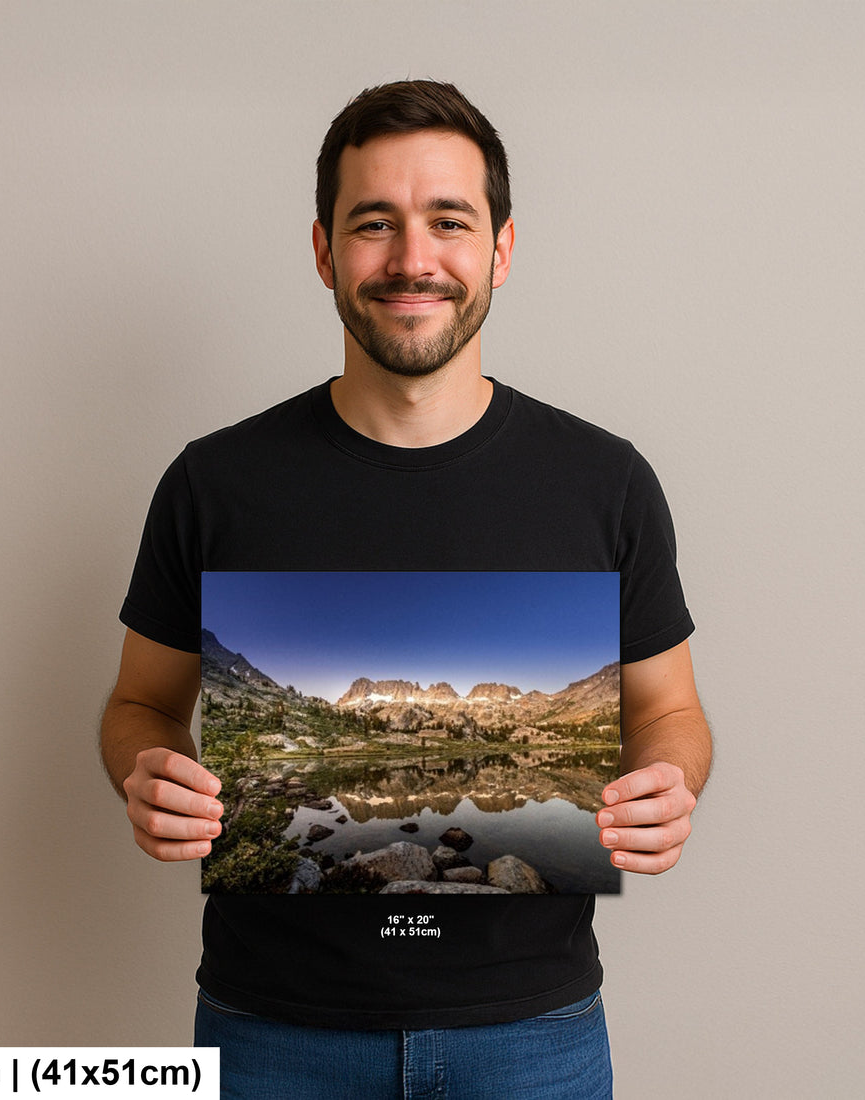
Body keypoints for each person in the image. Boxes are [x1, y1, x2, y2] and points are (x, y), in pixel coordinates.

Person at [100, 79, 712, 1099]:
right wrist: (148, 768)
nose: (411, 257)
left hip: (532, 1033)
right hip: (272, 1035)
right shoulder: (215, 482)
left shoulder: (604, 482)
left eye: (447, 221)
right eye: (373, 222)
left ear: (500, 250)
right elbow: (138, 703)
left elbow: (672, 712)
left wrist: (666, 782)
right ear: (322, 251)